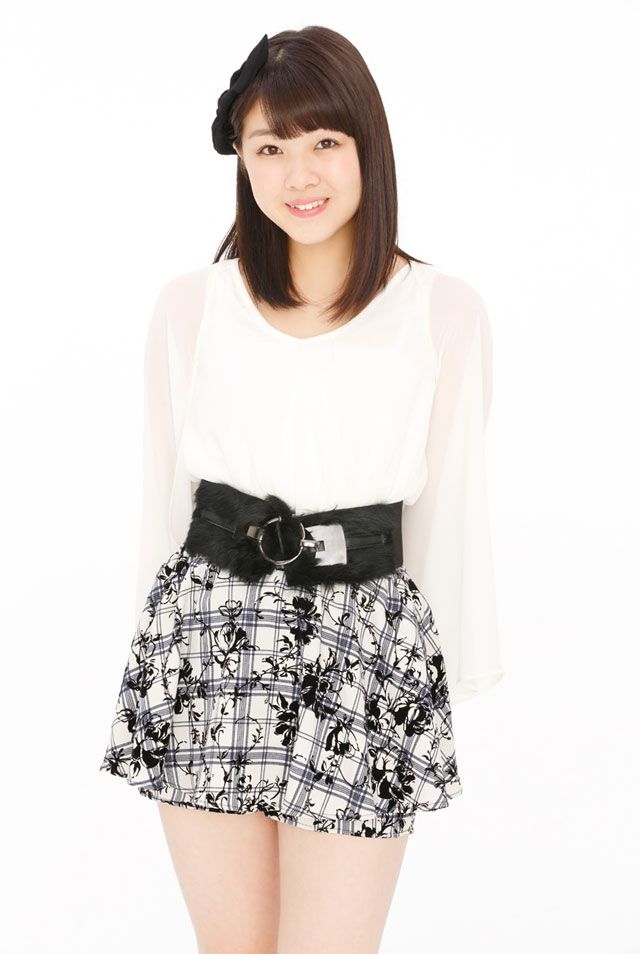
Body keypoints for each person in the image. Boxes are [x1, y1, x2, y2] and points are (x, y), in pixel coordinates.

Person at [99, 25, 504, 954]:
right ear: (241, 162)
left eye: (324, 140)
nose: (298, 174)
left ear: (368, 146)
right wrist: (150, 659)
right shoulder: (190, 306)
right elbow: (162, 506)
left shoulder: (442, 312)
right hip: (205, 641)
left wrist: (437, 679)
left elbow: (450, 514)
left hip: (363, 646)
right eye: (269, 148)